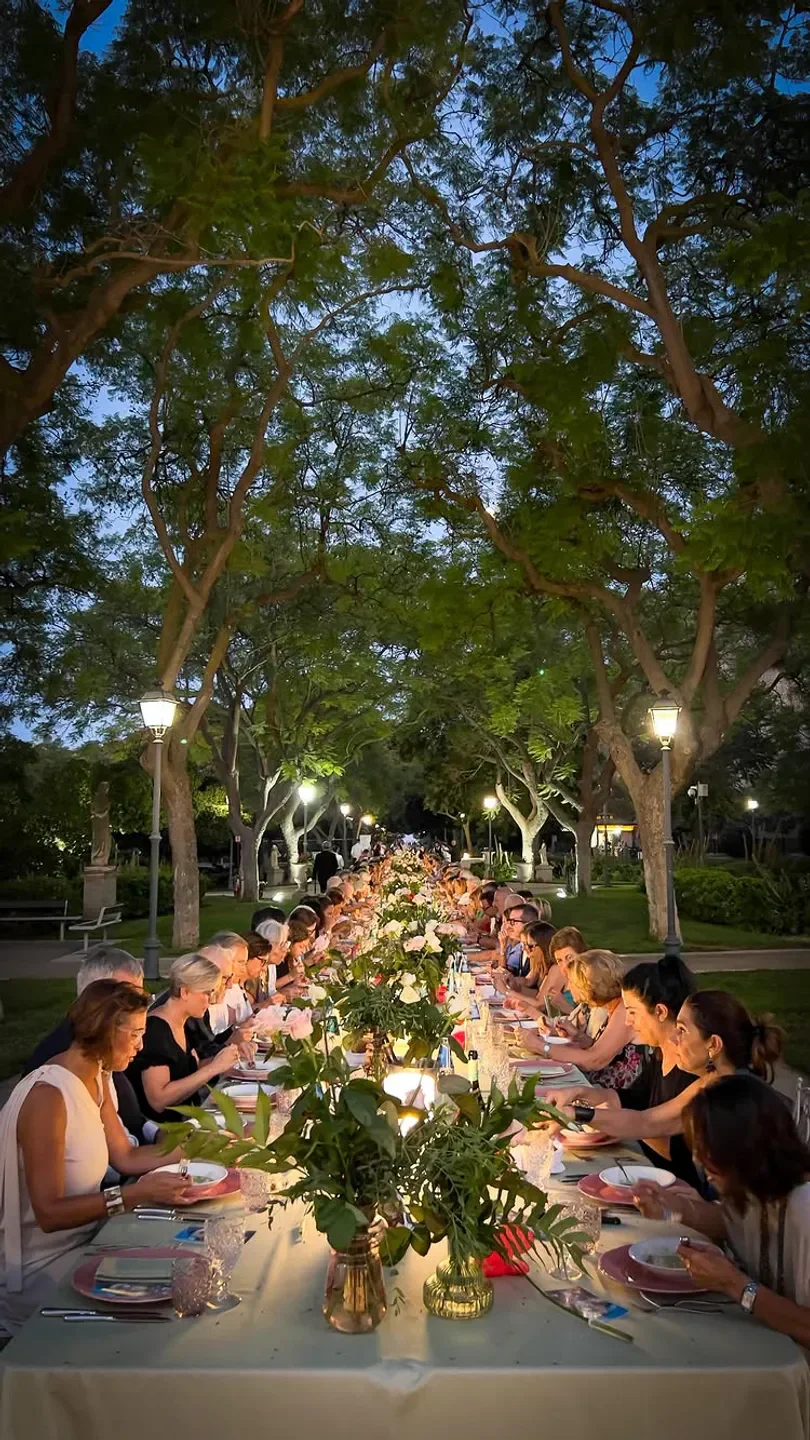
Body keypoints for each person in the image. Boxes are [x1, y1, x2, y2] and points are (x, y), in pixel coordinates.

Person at [0, 980, 201, 1335]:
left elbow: (125, 1157)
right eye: (136, 1033)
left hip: (87, 1241)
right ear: (106, 1030)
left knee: (187, 1261)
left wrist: (205, 1147)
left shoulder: (99, 1075)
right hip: (39, 1267)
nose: (142, 1045)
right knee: (166, 1304)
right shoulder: (49, 1097)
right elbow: (48, 1213)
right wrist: (135, 1195)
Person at [633, 1076, 810, 1350]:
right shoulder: (758, 1188)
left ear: (742, 1150)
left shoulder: (804, 1207)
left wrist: (735, 1285)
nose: (696, 1160)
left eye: (706, 1150)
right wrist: (674, 1209)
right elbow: (728, 1223)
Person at [550, 989, 784, 1181]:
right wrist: (575, 1110)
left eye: (682, 1030)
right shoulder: (715, 1081)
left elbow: (647, 1124)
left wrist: (576, 1112)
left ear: (713, 1044)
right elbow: (645, 1120)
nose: (673, 1039)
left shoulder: (732, 1095)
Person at [544, 954, 698, 1180]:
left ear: (661, 1012)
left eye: (632, 1012)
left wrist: (586, 1114)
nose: (627, 1022)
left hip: (669, 1185)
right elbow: (628, 1098)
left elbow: (660, 1137)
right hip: (641, 1171)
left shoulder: (690, 1070)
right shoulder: (659, 1054)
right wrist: (579, 1092)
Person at [23, 945, 156, 1144]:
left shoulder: (101, 1052)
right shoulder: (60, 1068)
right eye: (124, 997)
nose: (136, 1004)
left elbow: (130, 1119)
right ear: (95, 997)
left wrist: (159, 1135)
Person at [127, 954, 240, 1123]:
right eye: (207, 993)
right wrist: (214, 1068)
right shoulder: (155, 1031)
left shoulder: (183, 1021)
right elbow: (159, 1100)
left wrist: (229, 1058)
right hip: (165, 1133)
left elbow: (192, 1069)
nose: (210, 1000)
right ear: (185, 992)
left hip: (190, 1119)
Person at [524, 949, 643, 1091]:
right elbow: (605, 1051)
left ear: (589, 985)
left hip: (619, 1099)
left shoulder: (624, 1010)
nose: (569, 987)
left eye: (572, 982)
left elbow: (594, 1060)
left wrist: (540, 1046)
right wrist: (578, 1037)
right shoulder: (609, 1006)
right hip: (598, 1087)